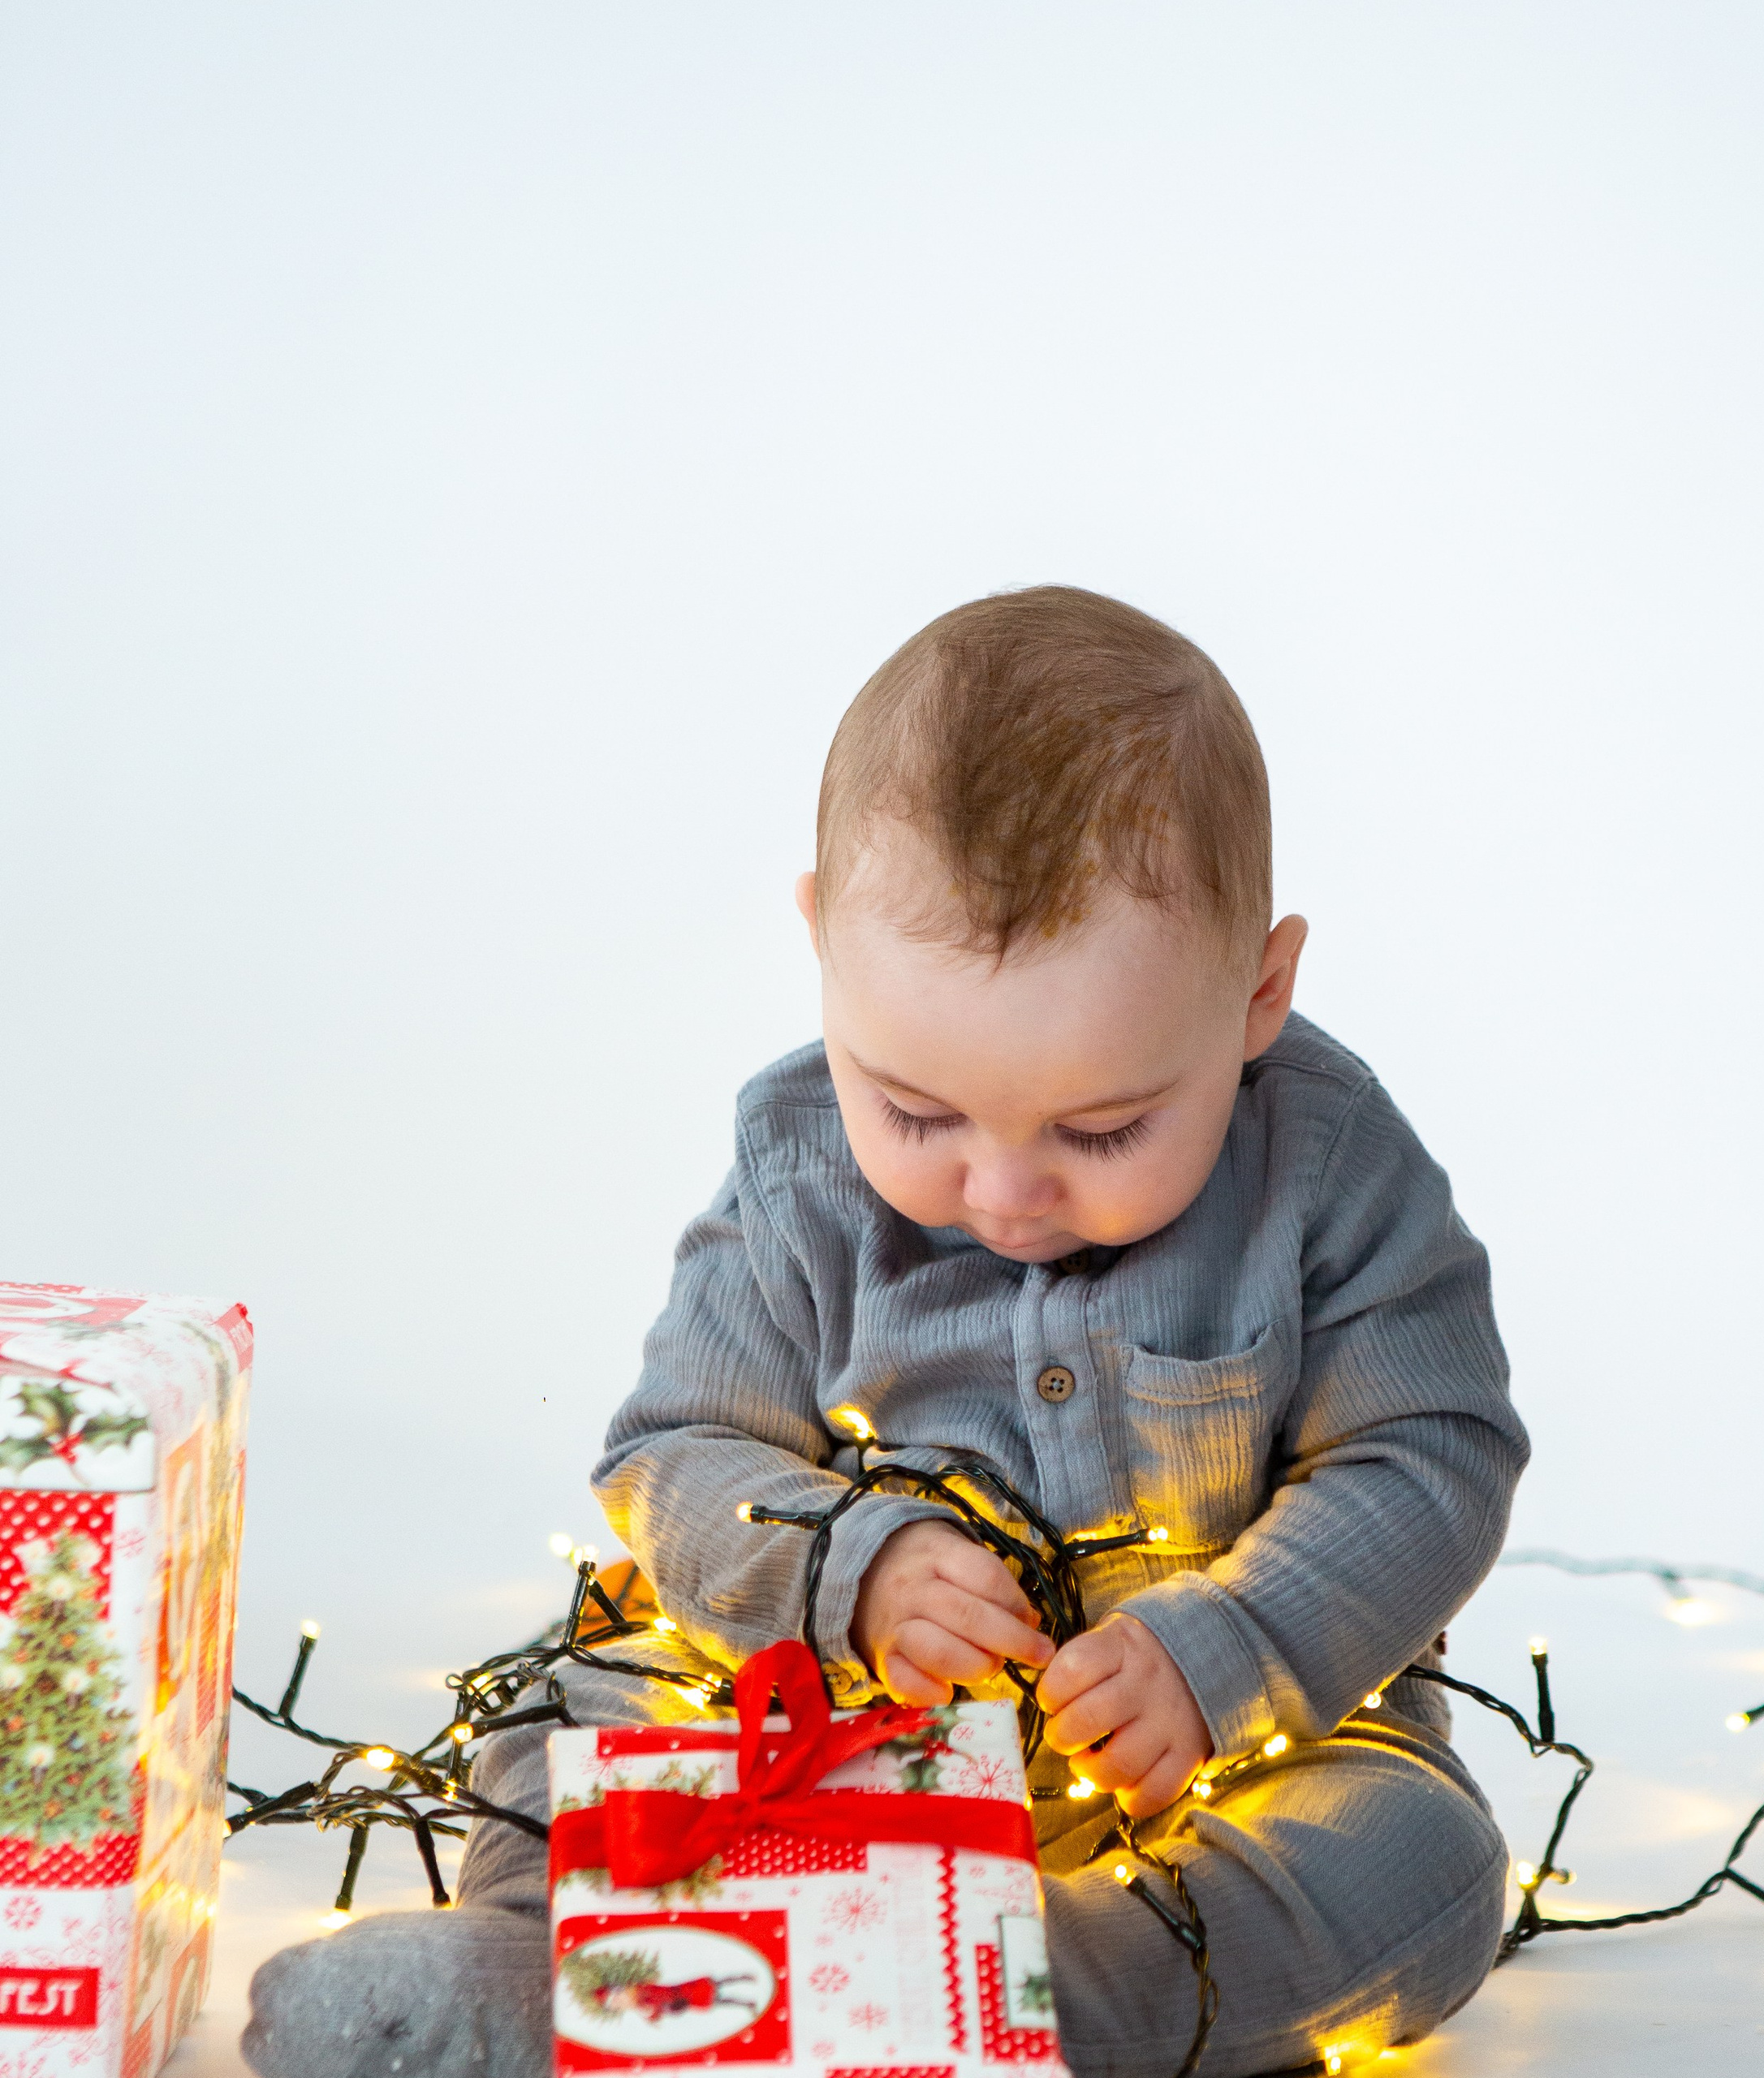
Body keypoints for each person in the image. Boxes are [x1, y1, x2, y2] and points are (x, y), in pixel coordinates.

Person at [244, 586, 1528, 2078]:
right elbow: (674, 1451)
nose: (1001, 1188)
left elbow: (1431, 1451)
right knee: (578, 1701)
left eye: (1105, 1129)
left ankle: (1033, 1982)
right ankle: (555, 1968)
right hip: (813, 1725)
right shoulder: (794, 1163)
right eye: (915, 1111)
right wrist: (843, 1571)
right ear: (822, 949)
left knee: (1417, 1860)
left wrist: (1229, 1645)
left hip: (1203, 1764)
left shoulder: (1328, 1164)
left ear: (1258, 991)